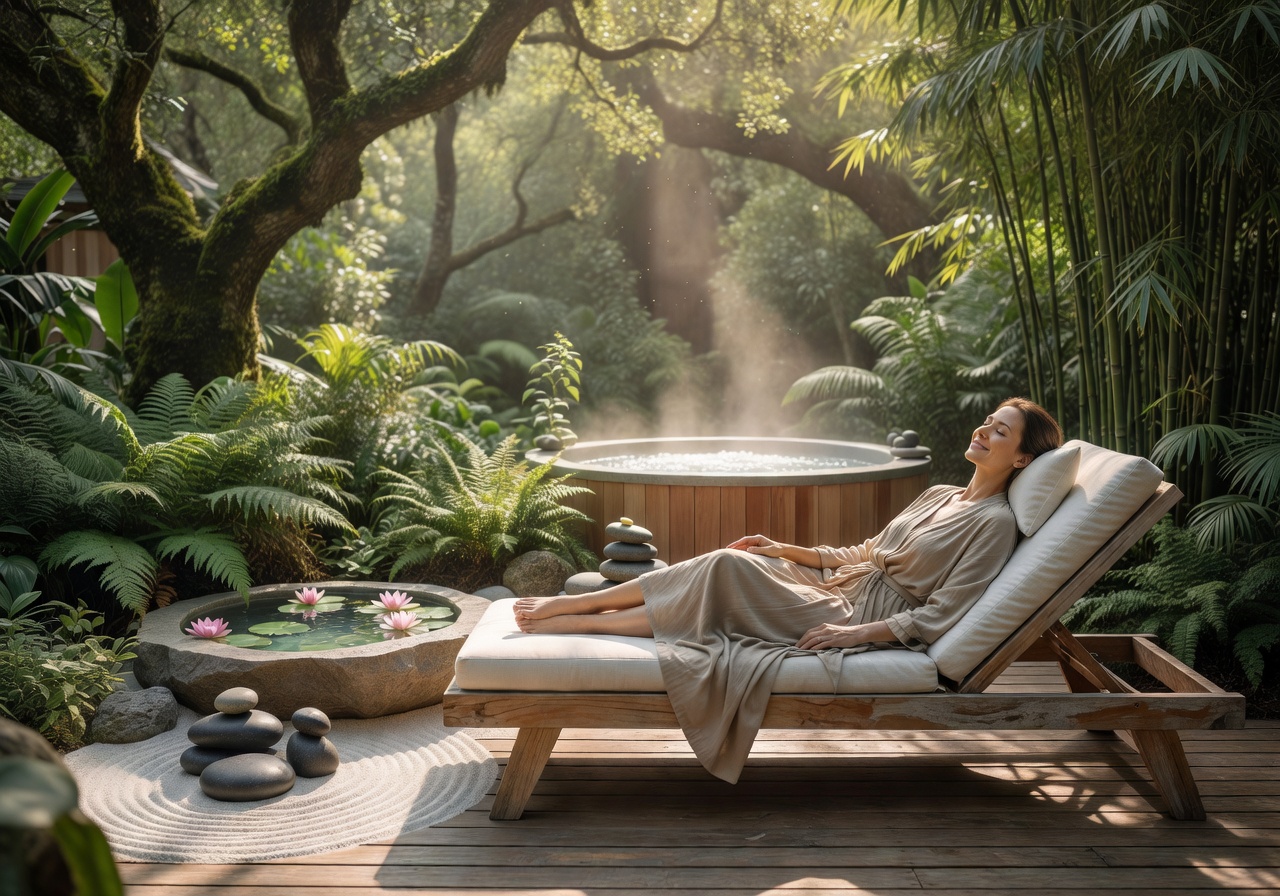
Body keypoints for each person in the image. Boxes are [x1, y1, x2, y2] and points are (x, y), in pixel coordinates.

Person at [513, 398, 1064, 781]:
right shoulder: (940, 494)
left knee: (723, 571)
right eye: (987, 422)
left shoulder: (994, 524)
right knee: (732, 563)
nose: (983, 431)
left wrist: (855, 636)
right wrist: (785, 550)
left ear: (1022, 459)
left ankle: (579, 613)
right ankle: (579, 609)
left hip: (858, 614)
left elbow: (946, 611)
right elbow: (866, 551)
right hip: (838, 585)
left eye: (1000, 431)